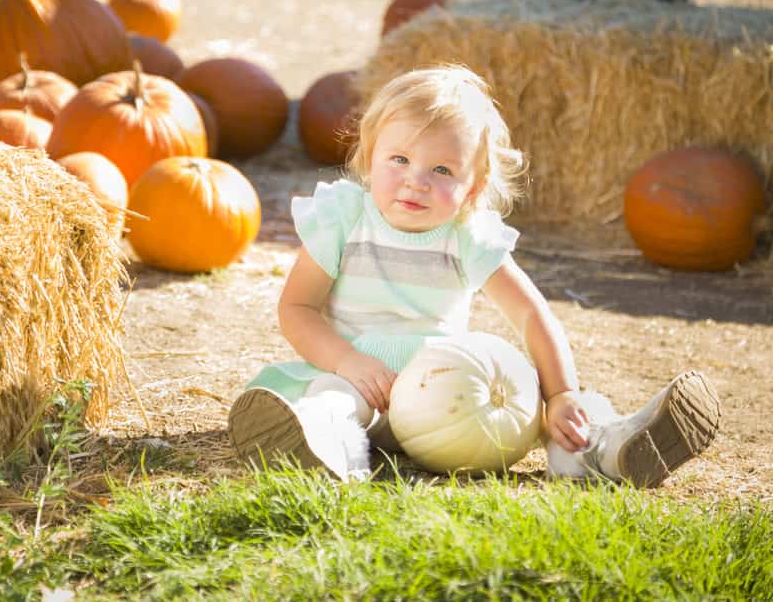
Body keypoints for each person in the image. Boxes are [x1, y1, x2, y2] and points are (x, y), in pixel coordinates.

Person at [227, 64, 720, 486]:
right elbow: (297, 308)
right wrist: (347, 361)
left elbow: (530, 315)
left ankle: (607, 448)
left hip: (450, 395)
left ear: (475, 187)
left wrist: (561, 394)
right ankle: (326, 449)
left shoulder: (467, 235)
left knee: (538, 408)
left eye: (442, 170)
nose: (416, 181)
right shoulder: (343, 217)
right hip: (359, 383)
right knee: (331, 399)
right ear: (370, 156)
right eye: (399, 159)